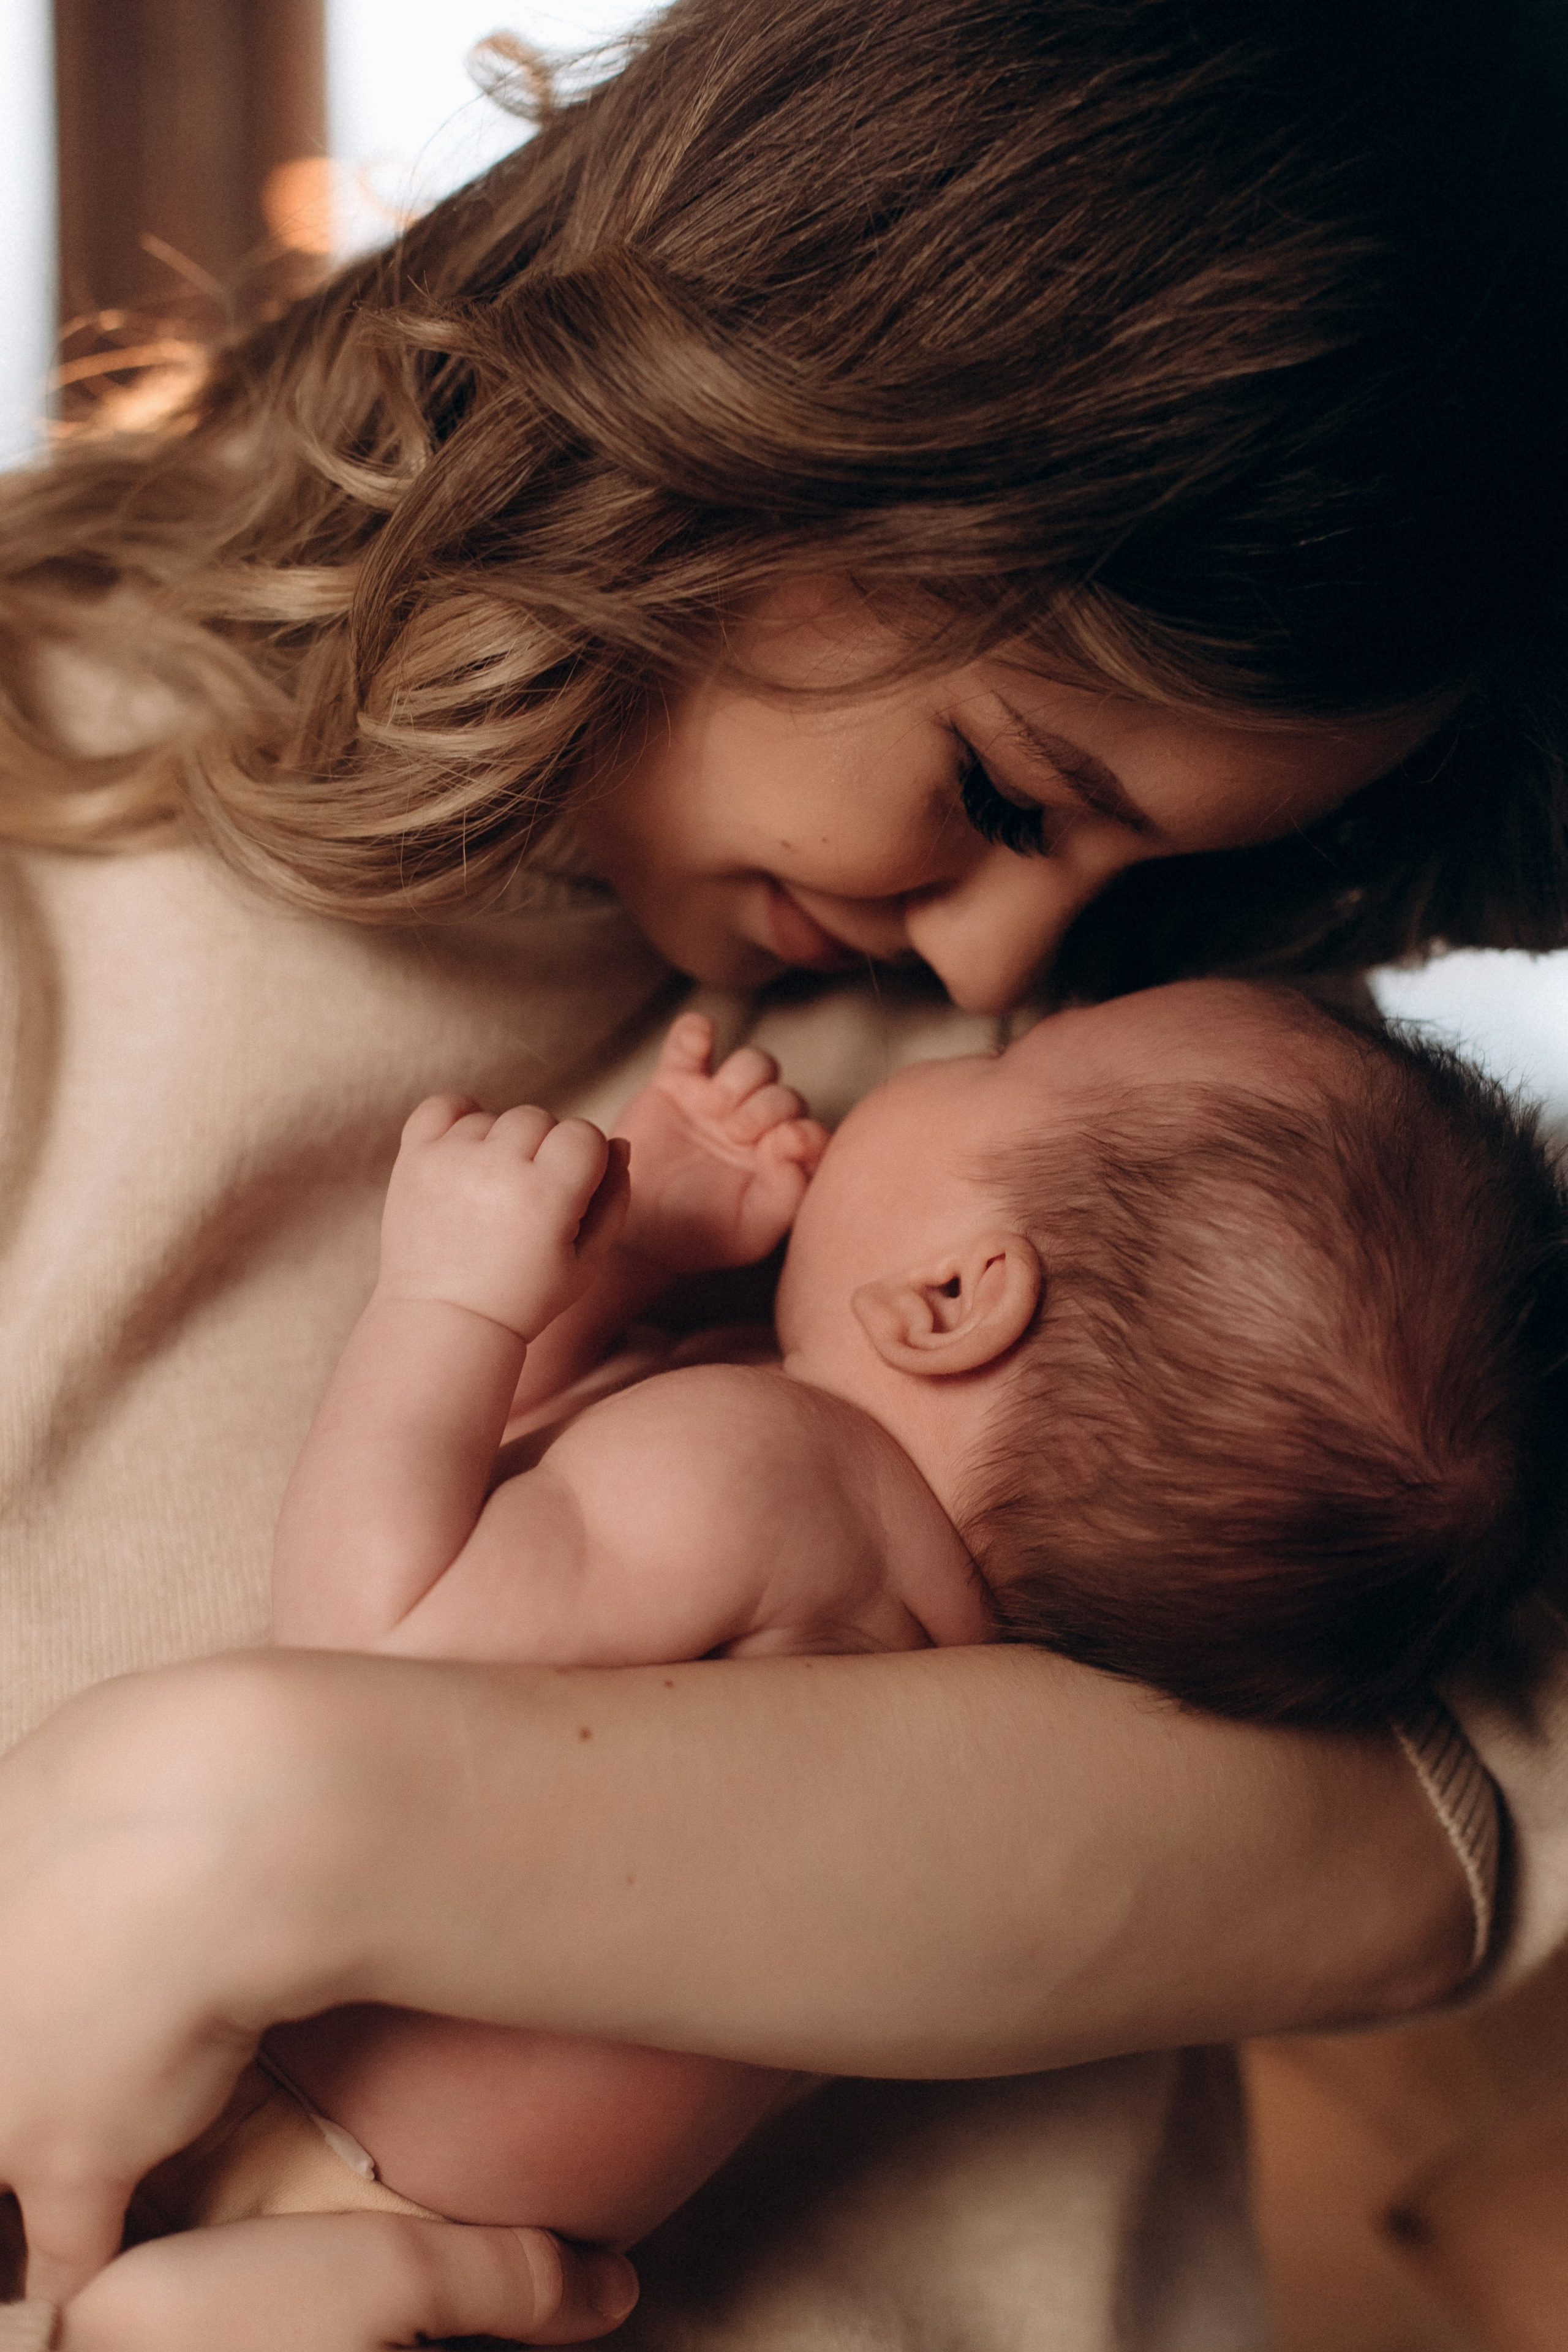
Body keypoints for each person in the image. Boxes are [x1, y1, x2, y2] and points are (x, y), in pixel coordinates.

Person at [2, 0, 1567, 2343]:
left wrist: (260, 1821)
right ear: (767, 423)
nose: (1010, 961)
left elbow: (1466, 1825)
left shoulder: (1167, 1112)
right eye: (1017, 792)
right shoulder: (59, 884)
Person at [126, 978, 1566, 2283]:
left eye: (1008, 1063)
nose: (946, 1047)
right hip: (407, 2243)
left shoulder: (746, 1467)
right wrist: (626, 1268)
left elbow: (377, 1660)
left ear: (951, 1298)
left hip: (252, 2132)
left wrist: (443, 1288)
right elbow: (535, 1525)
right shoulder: (933, 1644)